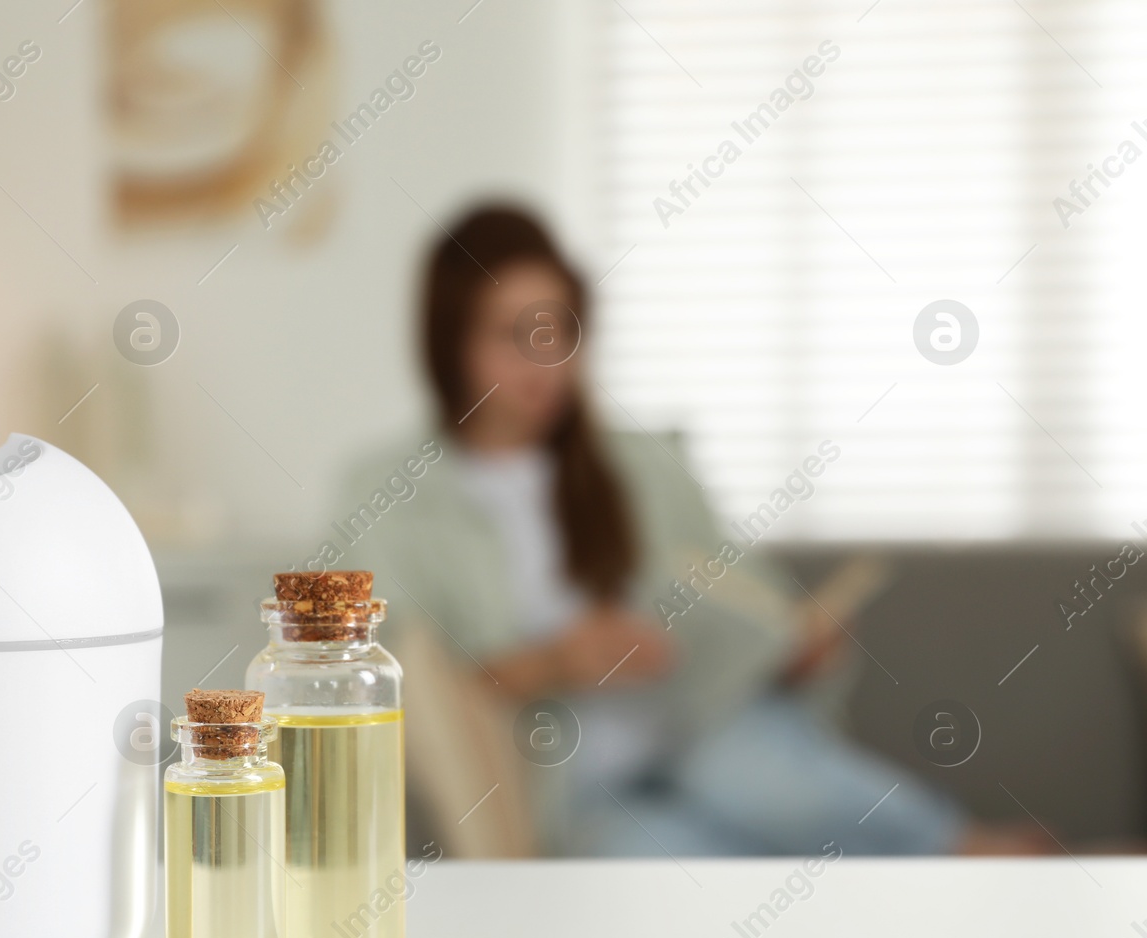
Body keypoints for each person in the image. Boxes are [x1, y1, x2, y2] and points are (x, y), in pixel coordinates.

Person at [342, 204, 1049, 857]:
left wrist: (794, 641)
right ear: (450, 340)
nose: (543, 362)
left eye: (557, 329)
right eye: (511, 333)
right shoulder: (391, 495)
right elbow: (390, 678)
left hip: (705, 725)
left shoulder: (642, 463)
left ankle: (967, 855)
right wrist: (555, 662)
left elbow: (739, 586)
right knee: (672, 869)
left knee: (776, 786)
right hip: (575, 779)